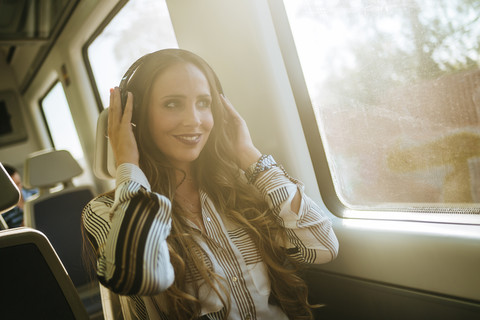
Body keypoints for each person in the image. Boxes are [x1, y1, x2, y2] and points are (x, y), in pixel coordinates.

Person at [82, 49, 339, 320]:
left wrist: (248, 154)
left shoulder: (242, 186)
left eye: (203, 103)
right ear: (135, 118)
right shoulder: (103, 211)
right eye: (172, 104)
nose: (194, 120)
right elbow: (139, 276)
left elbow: (322, 249)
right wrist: (128, 165)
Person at [1, 164, 37, 228]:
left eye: (19, 183)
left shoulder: (35, 194)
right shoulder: (3, 213)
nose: (20, 188)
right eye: (16, 185)